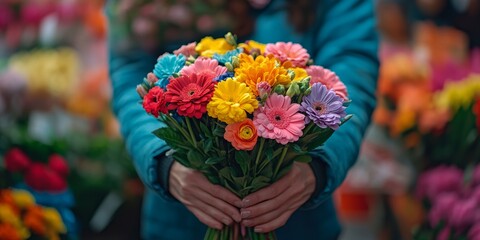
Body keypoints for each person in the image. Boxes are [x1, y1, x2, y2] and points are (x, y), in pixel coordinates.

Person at [107, 0, 379, 239]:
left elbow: (352, 71)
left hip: (298, 217)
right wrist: (165, 162)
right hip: (181, 218)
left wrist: (318, 167)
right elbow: (133, 73)